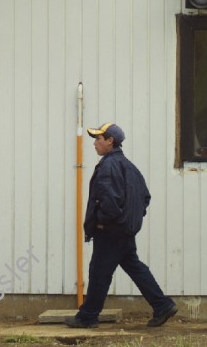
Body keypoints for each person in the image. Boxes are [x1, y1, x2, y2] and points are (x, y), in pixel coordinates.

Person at [64, 123, 177, 330]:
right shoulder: (129, 166)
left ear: (110, 141)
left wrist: (103, 221)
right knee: (134, 267)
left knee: (99, 272)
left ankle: (87, 316)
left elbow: (109, 199)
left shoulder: (108, 166)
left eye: (98, 139)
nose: (95, 144)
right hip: (124, 231)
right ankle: (162, 305)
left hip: (110, 231)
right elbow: (144, 197)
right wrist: (129, 220)